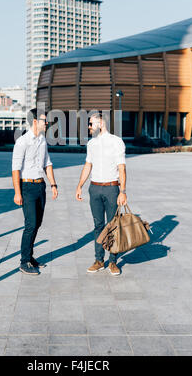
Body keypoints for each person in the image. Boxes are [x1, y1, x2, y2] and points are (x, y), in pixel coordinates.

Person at [75, 111, 127, 276]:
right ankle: (99, 260)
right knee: (98, 226)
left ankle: (112, 261)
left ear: (101, 123)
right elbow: (87, 166)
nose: (89, 127)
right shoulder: (92, 144)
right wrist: (79, 186)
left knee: (112, 226)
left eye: (91, 123)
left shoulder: (117, 142)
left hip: (112, 189)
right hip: (95, 188)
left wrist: (123, 191)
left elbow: (122, 168)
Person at [12, 108, 58, 275]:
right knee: (30, 224)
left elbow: (48, 163)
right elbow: (15, 169)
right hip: (27, 187)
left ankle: (30, 257)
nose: (47, 123)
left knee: (37, 223)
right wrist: (17, 193)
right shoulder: (22, 142)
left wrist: (53, 185)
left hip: (40, 186)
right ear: (35, 122)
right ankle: (24, 262)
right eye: (44, 120)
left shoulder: (42, 141)